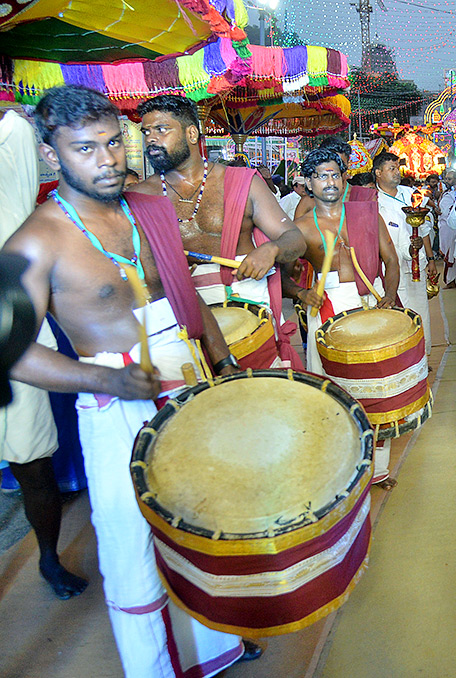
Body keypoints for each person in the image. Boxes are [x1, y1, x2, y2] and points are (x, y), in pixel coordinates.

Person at [5, 84, 260, 676]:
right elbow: (11, 353)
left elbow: (184, 299)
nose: (108, 160)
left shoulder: (149, 207)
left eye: (115, 142)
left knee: (203, 523)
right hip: (114, 405)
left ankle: (216, 643)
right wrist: (107, 380)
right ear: (51, 156)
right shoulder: (36, 240)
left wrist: (223, 367)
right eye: (86, 148)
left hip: (186, 382)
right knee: (131, 549)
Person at [130, 95, 307, 368]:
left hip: (247, 307)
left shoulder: (242, 182)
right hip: (181, 310)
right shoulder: (139, 196)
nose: (151, 138)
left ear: (191, 133)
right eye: (146, 131)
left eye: (162, 129)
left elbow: (294, 239)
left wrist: (271, 250)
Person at [0, 107, 87, 601]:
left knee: (33, 464)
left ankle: (49, 558)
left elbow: (12, 121)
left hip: (17, 343)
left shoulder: (9, 144)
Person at [288, 148, 401, 486]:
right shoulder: (301, 228)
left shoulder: (367, 214)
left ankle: (378, 467)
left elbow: (392, 262)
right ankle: (342, 466)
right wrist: (301, 293)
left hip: (370, 302)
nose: (330, 181)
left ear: (345, 177)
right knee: (334, 390)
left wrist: (390, 297)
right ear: (309, 182)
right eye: (321, 175)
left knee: (376, 387)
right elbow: (280, 275)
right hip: (329, 306)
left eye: (335, 174)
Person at [375, 152, 437, 348]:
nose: (396, 173)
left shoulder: (411, 194)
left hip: (416, 263)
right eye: (391, 169)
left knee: (420, 311)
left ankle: (422, 356)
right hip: (391, 264)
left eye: (397, 168)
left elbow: (425, 229)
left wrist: (431, 258)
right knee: (397, 312)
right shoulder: (373, 199)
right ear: (378, 172)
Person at [438, 170, 456, 288]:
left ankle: (453, 280)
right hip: (445, 228)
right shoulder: (446, 193)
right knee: (449, 255)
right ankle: (451, 281)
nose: (447, 181)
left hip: (454, 229)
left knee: (453, 255)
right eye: (446, 178)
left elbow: (453, 213)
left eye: (450, 179)